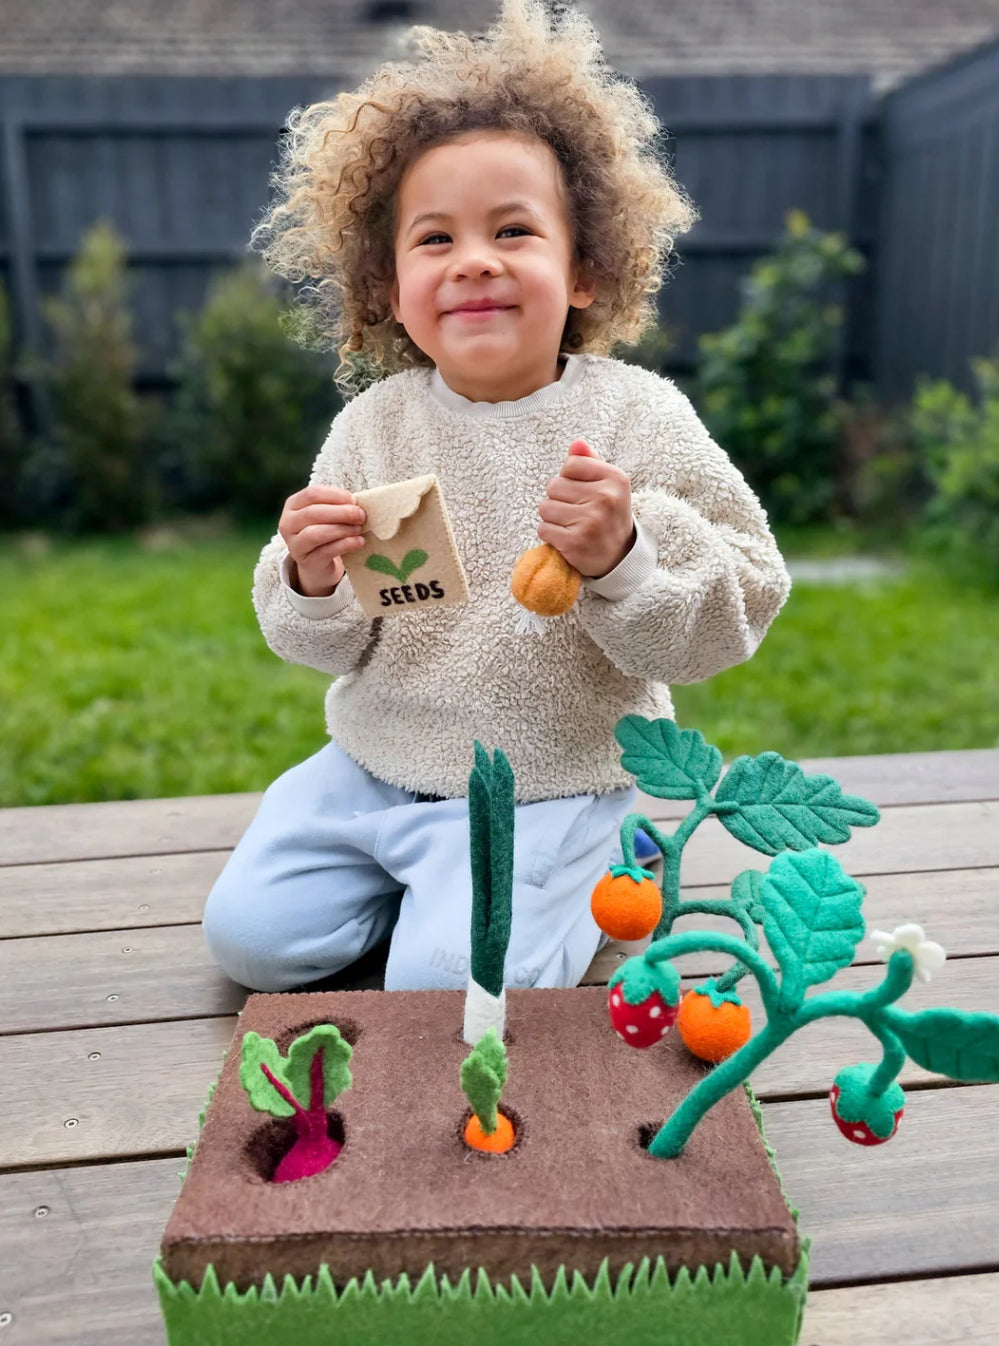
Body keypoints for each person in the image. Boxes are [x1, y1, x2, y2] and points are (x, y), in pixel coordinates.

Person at [202, 0, 791, 994]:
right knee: (249, 941)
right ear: (386, 289)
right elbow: (323, 641)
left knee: (440, 984)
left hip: (546, 782)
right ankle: (414, 880)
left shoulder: (635, 417)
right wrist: (308, 577)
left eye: (512, 229)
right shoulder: (374, 424)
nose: (473, 257)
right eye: (433, 239)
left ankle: (607, 851)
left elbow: (738, 600)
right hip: (372, 767)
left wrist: (626, 558)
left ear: (587, 271)